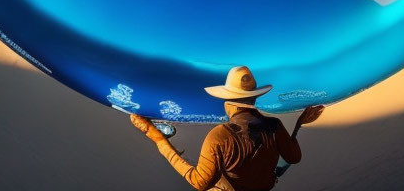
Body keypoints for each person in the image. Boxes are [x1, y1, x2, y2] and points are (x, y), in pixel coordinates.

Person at [131, 65, 324, 191]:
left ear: (228, 101)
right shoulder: (274, 126)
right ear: (254, 97)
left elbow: (199, 182)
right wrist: (298, 125)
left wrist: (158, 139)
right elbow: (294, 158)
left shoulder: (219, 137)